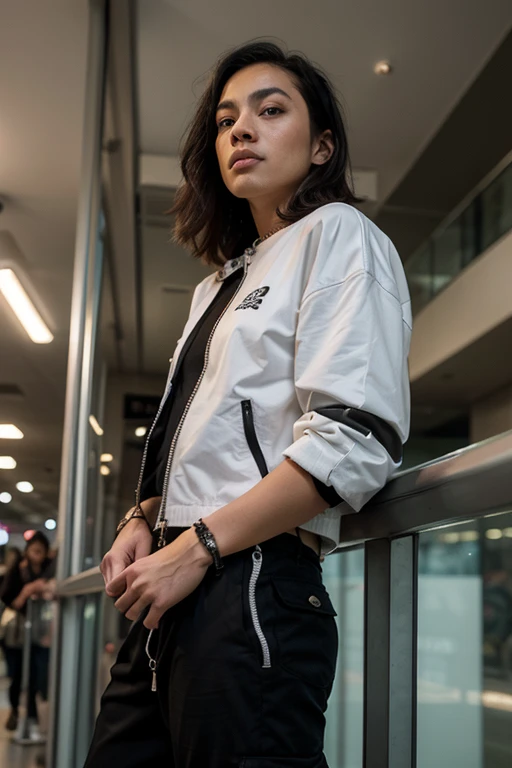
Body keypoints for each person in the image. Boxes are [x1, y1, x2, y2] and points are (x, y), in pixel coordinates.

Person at [86, 41, 411, 767]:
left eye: (271, 110)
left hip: (252, 581)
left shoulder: (341, 237)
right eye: (227, 118)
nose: (241, 129)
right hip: (175, 579)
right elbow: (200, 430)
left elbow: (352, 439)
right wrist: (145, 515)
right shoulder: (218, 284)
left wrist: (196, 545)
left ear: (322, 144)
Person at [0, 532, 53, 733]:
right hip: (16, 633)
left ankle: (32, 717)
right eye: (34, 550)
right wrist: (28, 590)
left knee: (35, 675)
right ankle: (16, 711)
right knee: (17, 675)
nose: (37, 554)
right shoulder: (18, 571)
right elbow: (8, 598)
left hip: (41, 632)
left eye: (41, 551)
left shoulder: (50, 570)